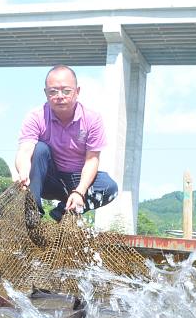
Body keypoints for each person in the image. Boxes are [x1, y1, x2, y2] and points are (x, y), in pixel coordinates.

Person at [14, 65, 118, 221]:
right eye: (53, 91)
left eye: (66, 91)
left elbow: (92, 159)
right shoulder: (36, 116)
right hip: (49, 180)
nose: (60, 96)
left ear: (77, 92)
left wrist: (80, 191)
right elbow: (25, 150)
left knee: (110, 187)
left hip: (78, 179)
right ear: (46, 93)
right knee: (39, 149)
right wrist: (23, 173)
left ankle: (64, 212)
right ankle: (32, 212)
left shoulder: (92, 119)